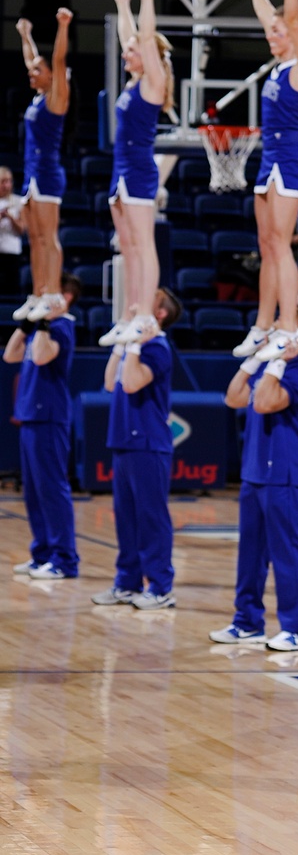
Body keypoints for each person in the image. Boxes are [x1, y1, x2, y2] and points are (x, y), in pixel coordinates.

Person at [212, 309, 298, 650]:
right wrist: (253, 360)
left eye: (284, 319)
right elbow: (233, 397)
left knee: (287, 552)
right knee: (250, 553)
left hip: (285, 473)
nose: (275, 322)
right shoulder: (269, 364)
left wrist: (275, 364)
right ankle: (247, 621)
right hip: (255, 471)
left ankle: (297, 628)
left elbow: (262, 403)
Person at [232, 0, 298, 362]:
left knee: (282, 246)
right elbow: (270, 15)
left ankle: (288, 326)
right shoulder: (278, 64)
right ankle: (263, 325)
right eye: (269, 32)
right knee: (267, 245)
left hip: (289, 159)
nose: (271, 34)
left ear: (294, 33)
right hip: (269, 158)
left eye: (278, 31)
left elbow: (287, 16)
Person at [93, 287, 182, 609]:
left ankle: (160, 588)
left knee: (151, 517)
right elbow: (108, 382)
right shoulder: (134, 347)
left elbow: (131, 382)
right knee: (126, 518)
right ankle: (127, 583)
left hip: (148, 443)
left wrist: (133, 343)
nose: (134, 304)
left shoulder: (157, 348)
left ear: (158, 315)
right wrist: (124, 341)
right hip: (124, 440)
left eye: (145, 302)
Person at [99, 0, 173, 347]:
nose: (125, 53)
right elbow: (132, 37)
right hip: (120, 172)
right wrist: (124, 4)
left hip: (141, 171)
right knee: (127, 246)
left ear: (149, 56)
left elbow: (143, 38)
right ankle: (129, 313)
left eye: (131, 51)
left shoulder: (153, 83)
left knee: (144, 245)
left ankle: (145, 314)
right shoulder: (134, 81)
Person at [3, 272, 82, 579]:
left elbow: (40, 357)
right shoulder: (38, 329)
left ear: (66, 298)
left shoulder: (63, 327)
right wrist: (26, 324)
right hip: (31, 417)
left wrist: (45, 321)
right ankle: (43, 554)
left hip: (49, 416)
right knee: (34, 492)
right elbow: (10, 355)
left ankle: (64, 560)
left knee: (52, 488)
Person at [12, 9, 71, 322]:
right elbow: (31, 59)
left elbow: (57, 60)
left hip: (48, 174)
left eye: (38, 70)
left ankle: (52, 292)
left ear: (51, 75)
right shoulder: (37, 97)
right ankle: (37, 293)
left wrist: (63, 27)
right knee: (33, 238)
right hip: (31, 173)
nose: (31, 72)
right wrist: (25, 35)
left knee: (49, 237)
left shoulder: (57, 97)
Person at [0, 167, 27, 300]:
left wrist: (10, 217)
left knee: (11, 289)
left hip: (12, 252)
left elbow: (22, 229)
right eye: (3, 181)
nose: (6, 185)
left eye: (9, 181)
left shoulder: (18, 201)